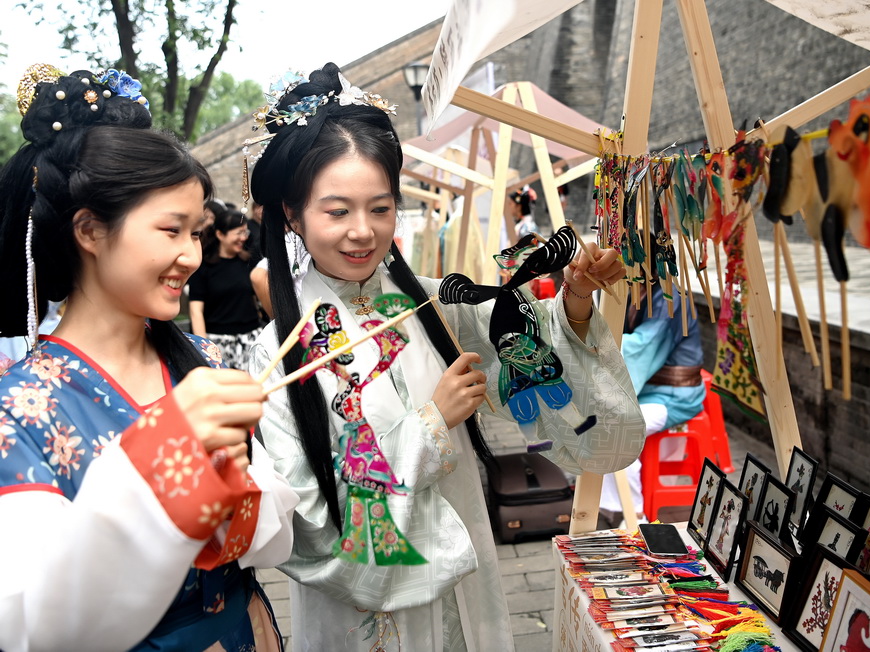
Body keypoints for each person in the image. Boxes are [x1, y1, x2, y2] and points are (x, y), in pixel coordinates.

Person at [245, 62, 645, 652]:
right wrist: (431, 426)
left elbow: (527, 350)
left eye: (380, 209)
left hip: (465, 587)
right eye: (337, 211)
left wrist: (577, 300)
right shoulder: (276, 353)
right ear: (291, 213)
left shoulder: (435, 306)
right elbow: (306, 519)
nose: (363, 231)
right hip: (363, 618)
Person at [0, 64, 298, 651]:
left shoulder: (202, 361)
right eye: (172, 230)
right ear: (89, 230)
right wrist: (167, 451)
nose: (190, 256)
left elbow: (273, 541)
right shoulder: (19, 410)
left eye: (197, 232)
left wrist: (232, 478)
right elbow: (34, 622)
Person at [599, 282, 706, 526]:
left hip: (673, 394)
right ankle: (607, 501)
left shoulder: (671, 298)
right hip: (646, 388)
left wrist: (596, 347)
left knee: (616, 428)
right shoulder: (632, 291)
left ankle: (635, 513)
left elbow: (642, 346)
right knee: (594, 419)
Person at [188, 204, 264, 369]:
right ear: (220, 234)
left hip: (250, 338)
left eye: (245, 232)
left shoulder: (248, 261)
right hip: (218, 342)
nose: (243, 238)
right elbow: (196, 310)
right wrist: (204, 350)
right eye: (238, 233)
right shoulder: (204, 267)